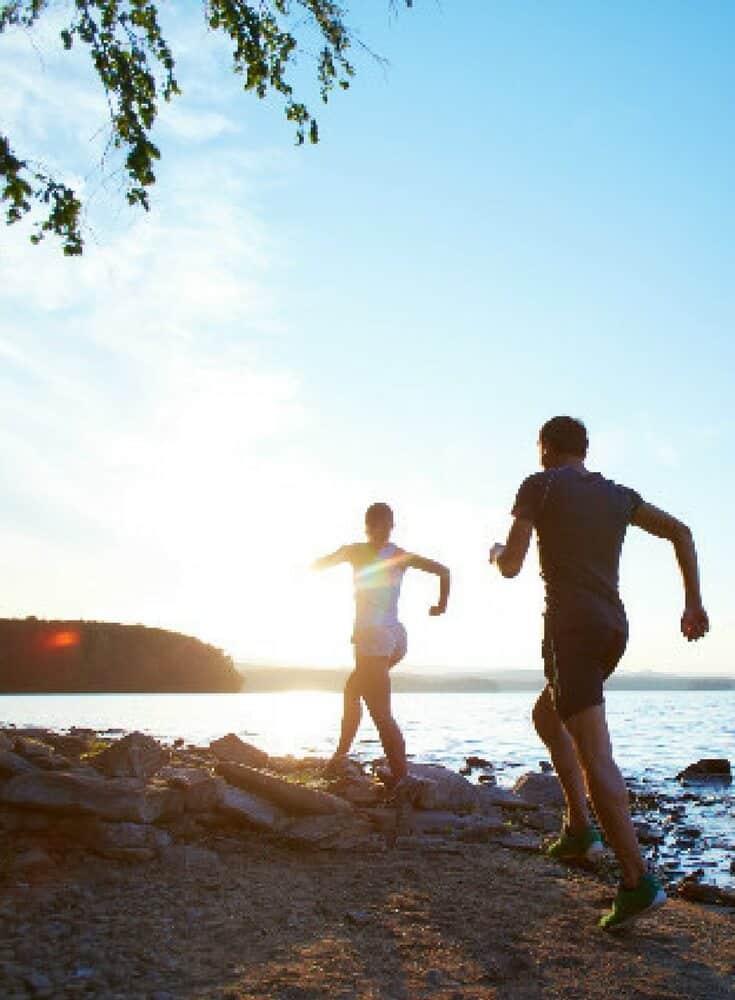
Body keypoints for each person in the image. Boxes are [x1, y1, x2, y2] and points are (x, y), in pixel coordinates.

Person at [488, 416, 708, 931]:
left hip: (571, 632)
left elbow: (514, 564)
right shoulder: (618, 495)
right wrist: (693, 603)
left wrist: (496, 552)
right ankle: (579, 826)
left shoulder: (538, 485)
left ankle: (636, 881)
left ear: (544, 448)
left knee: (595, 752)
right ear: (583, 450)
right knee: (547, 715)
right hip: (613, 629)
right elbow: (682, 531)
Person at [312, 502, 450, 792]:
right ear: (372, 525)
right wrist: (440, 605)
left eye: (386, 525)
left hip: (374, 639)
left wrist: (441, 605)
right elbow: (443, 572)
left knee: (380, 712)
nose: (384, 530)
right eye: (382, 524)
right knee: (352, 691)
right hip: (394, 638)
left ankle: (402, 779)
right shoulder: (396, 555)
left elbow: (443, 571)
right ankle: (339, 757)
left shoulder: (360, 551)